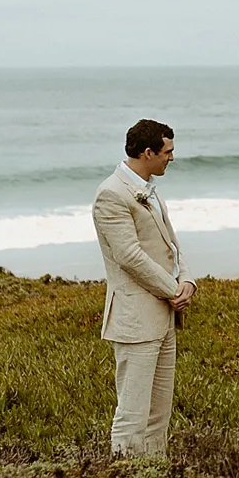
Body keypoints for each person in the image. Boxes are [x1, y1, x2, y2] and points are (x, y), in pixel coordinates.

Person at [91, 119, 196, 456]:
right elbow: (129, 257)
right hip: (135, 320)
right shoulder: (111, 193)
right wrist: (172, 289)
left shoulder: (148, 187)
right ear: (148, 152)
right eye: (168, 151)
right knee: (132, 414)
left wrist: (188, 281)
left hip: (164, 316)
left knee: (158, 415)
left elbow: (170, 244)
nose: (172, 158)